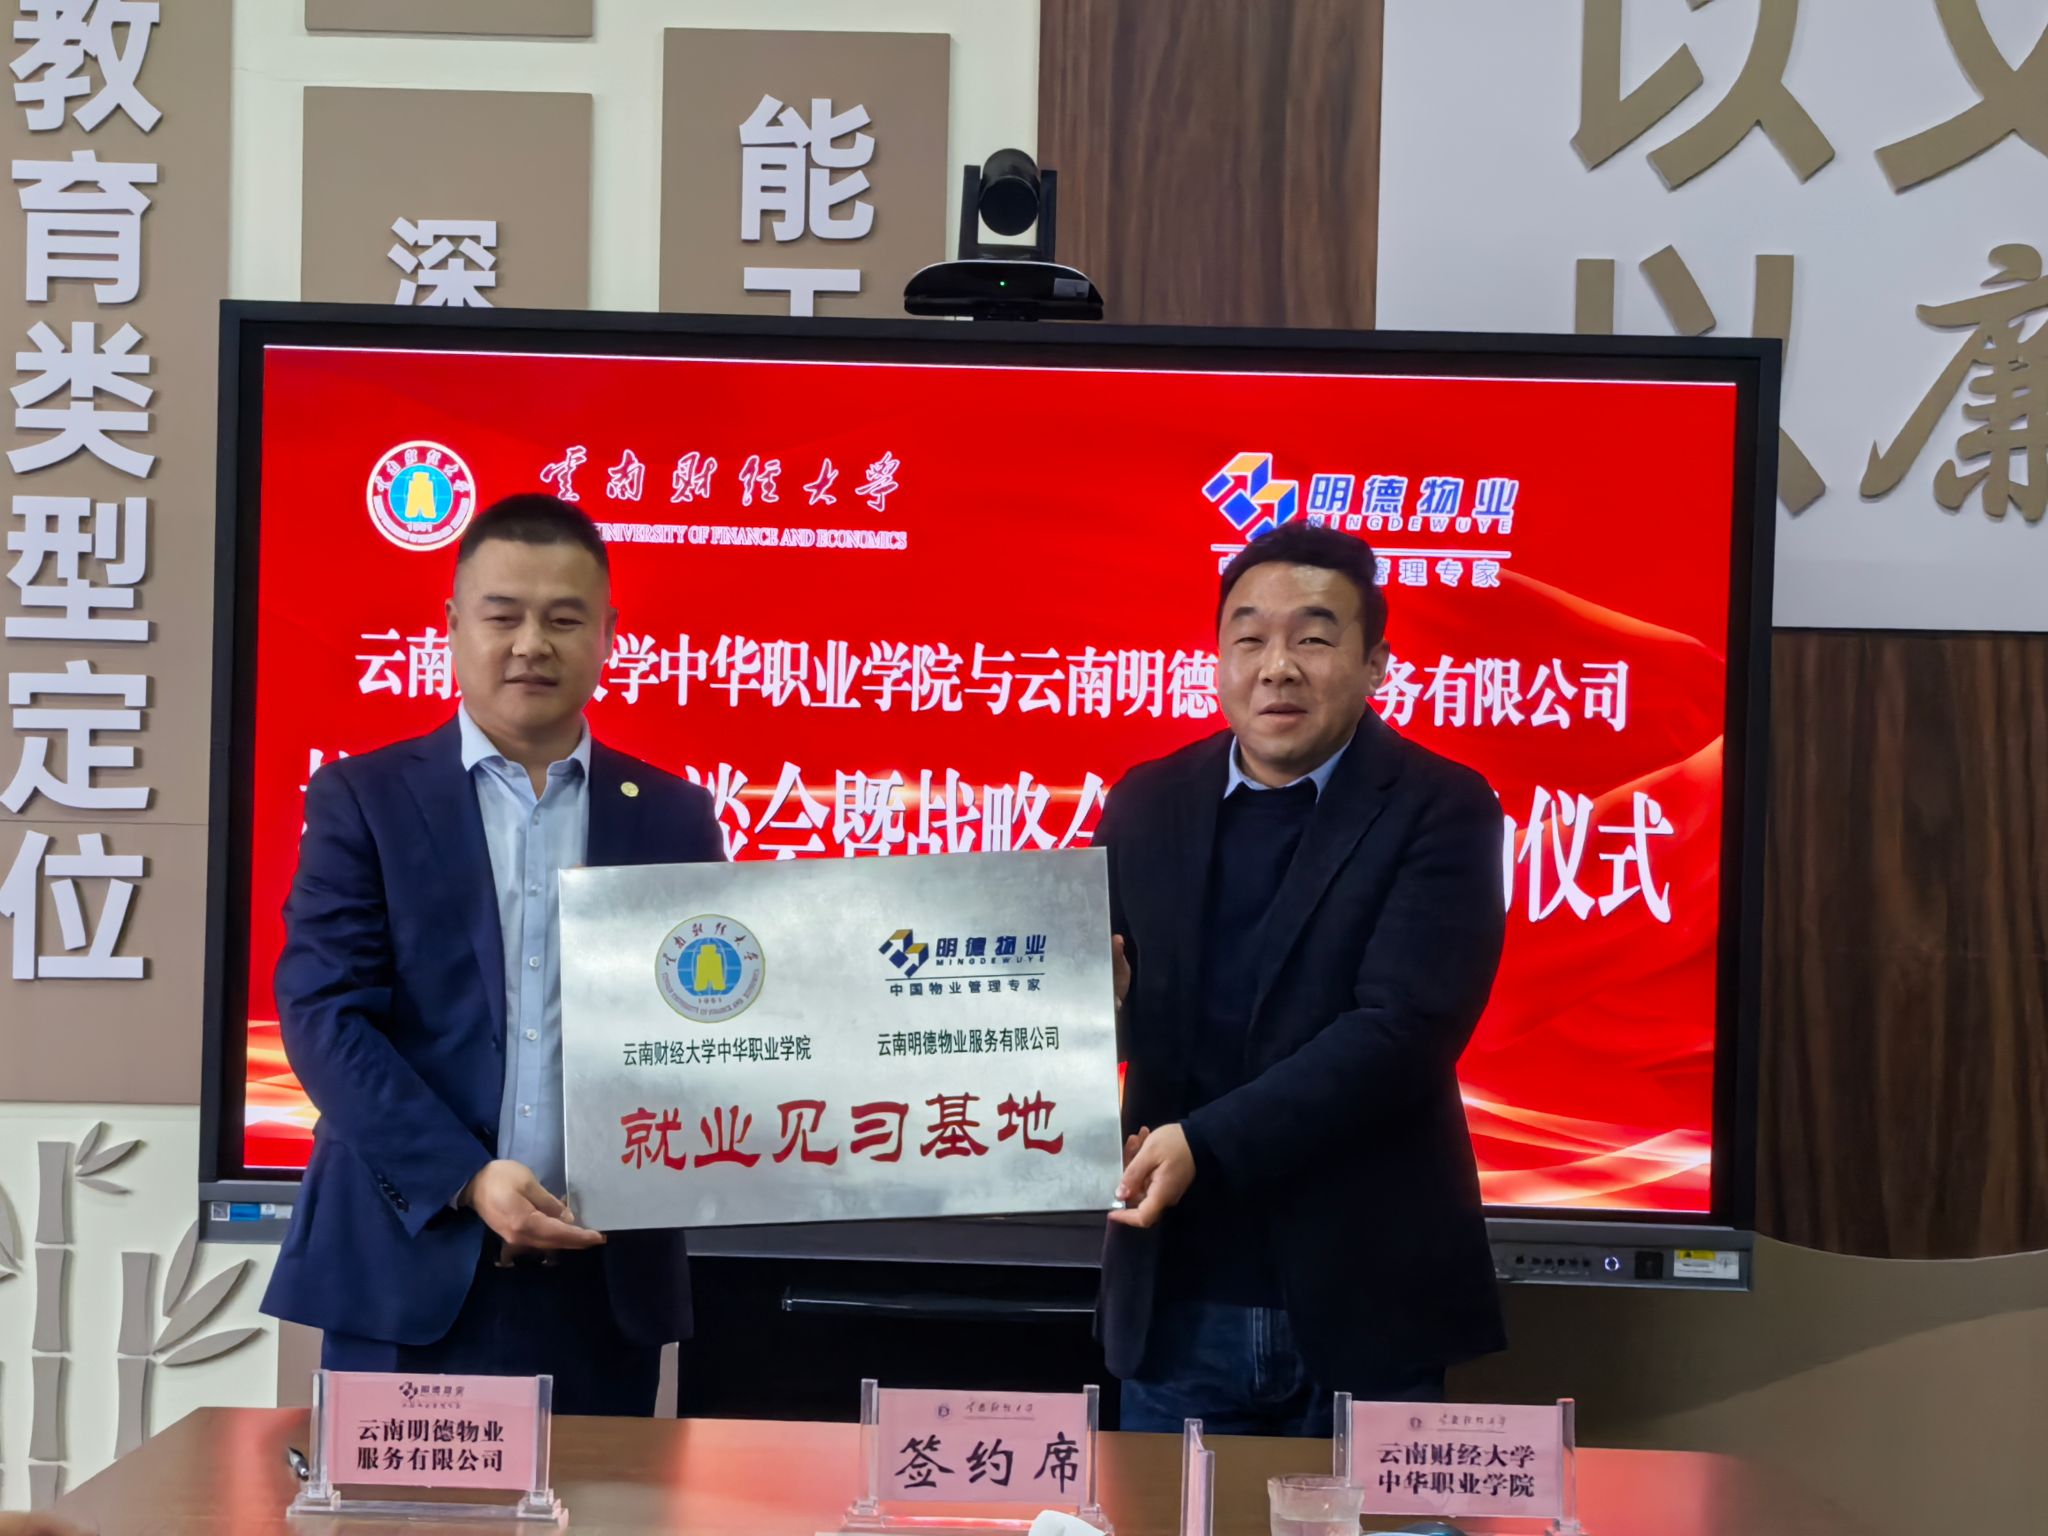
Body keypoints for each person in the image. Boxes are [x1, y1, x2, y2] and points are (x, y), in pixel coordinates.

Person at [260, 493, 723, 1415]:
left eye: (564, 620)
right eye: (502, 616)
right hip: (406, 1266)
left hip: (602, 1281)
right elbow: (323, 1017)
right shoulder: (364, 799)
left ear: (609, 634)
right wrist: (467, 1180)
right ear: (452, 625)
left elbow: (712, 1024)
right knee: (389, 1504)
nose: (530, 645)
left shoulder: (674, 816)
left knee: (597, 1500)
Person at [1095, 521, 1507, 1436]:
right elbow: (1115, 1017)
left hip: (1368, 1296)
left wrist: (1205, 1143)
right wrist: (1087, 1014)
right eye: (1249, 639)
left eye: (1314, 638)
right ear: (1218, 660)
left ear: (1374, 664)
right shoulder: (1145, 802)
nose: (1277, 667)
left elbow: (1402, 1032)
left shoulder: (1445, 807)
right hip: (1179, 1300)